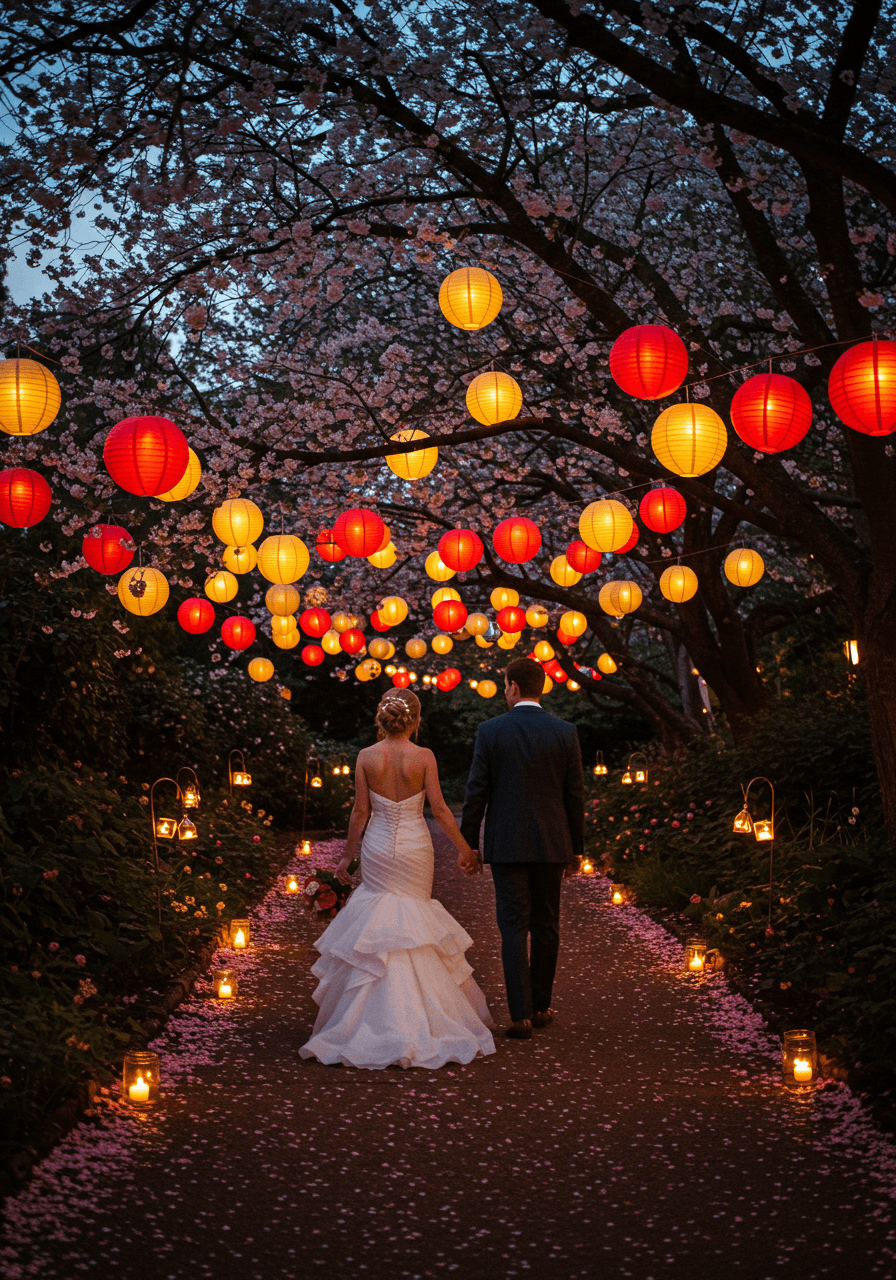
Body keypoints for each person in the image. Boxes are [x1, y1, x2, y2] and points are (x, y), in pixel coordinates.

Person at [300, 688, 496, 1070]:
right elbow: (439, 809)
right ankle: (421, 1019)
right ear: (415, 720)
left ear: (382, 718)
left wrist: (347, 856)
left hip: (376, 844)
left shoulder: (366, 757)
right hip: (413, 846)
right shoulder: (424, 757)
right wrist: (464, 850)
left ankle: (366, 1021)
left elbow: (360, 812)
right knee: (413, 919)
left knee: (378, 912)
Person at [459, 656, 584, 1040]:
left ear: (513, 686)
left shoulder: (491, 730)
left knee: (513, 926)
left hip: (507, 845)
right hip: (552, 843)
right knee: (547, 925)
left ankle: (520, 1015)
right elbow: (573, 795)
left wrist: (468, 845)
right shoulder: (565, 732)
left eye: (503, 684)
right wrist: (576, 849)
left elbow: (476, 790)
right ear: (540, 687)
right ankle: (542, 1006)